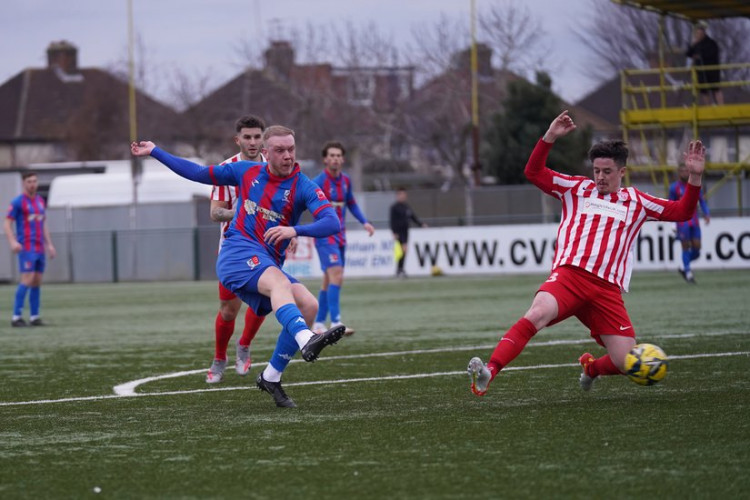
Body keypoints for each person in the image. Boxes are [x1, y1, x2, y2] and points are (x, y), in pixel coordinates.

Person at [467, 110, 705, 396]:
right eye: (596, 171)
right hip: (570, 276)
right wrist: (549, 137)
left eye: (607, 171)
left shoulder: (638, 201)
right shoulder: (576, 189)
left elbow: (683, 211)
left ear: (621, 172)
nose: (600, 177)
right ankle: (489, 371)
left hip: (606, 290)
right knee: (537, 313)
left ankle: (591, 369)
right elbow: (533, 172)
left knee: (627, 362)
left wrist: (694, 177)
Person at [131, 125, 346, 408]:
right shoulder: (246, 171)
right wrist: (155, 151)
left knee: (309, 306)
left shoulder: (303, 185)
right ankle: (306, 338)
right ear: (266, 153)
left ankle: (271, 376)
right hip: (235, 254)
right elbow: (196, 173)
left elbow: (332, 222)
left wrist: (295, 230)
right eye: (280, 150)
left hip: (266, 262)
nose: (287, 156)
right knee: (274, 288)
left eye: (291, 149)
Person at [206, 114, 270, 384]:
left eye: (257, 137)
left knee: (263, 302)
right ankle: (219, 358)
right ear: (238, 140)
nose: (253, 142)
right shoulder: (226, 169)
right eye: (247, 137)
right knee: (228, 310)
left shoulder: (275, 166)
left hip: (267, 246)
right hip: (233, 249)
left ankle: (244, 345)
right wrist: (242, 212)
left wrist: (291, 232)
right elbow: (215, 213)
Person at [311, 141, 375, 336]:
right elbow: (305, 205)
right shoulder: (318, 182)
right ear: (325, 159)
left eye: (338, 155)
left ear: (343, 159)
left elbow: (352, 204)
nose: (335, 159)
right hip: (324, 236)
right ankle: (336, 322)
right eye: (331, 155)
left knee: (329, 279)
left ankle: (319, 323)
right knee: (337, 274)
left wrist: (365, 222)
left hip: (341, 235)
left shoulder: (346, 180)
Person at [4, 172, 56, 327]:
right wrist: (13, 242)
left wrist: (50, 244)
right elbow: (7, 224)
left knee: (37, 281)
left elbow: (43, 224)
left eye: (34, 181)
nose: (32, 184)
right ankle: (16, 317)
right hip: (26, 247)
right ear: (23, 183)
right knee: (27, 279)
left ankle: (34, 317)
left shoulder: (40, 201)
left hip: (39, 247)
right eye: (29, 181)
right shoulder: (18, 202)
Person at [669, 159, 710, 284]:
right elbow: (670, 204)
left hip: (694, 221)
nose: (684, 173)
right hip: (682, 222)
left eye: (686, 170)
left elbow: (701, 200)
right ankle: (688, 273)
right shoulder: (674, 188)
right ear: (678, 172)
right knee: (685, 247)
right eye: (682, 171)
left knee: (697, 250)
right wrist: (672, 222)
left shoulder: (695, 185)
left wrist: (706, 213)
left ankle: (683, 267)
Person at [389, 187, 426, 278]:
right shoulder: (394, 207)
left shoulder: (406, 207)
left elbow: (413, 217)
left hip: (405, 231)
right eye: (401, 194)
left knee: (404, 250)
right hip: (399, 232)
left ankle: (400, 269)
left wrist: (421, 224)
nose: (403, 196)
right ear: (398, 195)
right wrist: (394, 232)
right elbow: (392, 221)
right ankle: (400, 269)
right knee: (402, 250)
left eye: (404, 194)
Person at [686, 21, 724, 106]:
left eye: (700, 33)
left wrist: (700, 56)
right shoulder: (696, 44)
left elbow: (712, 54)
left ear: (704, 33)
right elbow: (688, 54)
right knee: (703, 90)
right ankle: (708, 106)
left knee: (715, 88)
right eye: (697, 33)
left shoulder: (711, 43)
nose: (698, 35)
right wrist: (692, 45)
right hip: (701, 72)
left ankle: (721, 106)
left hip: (712, 70)